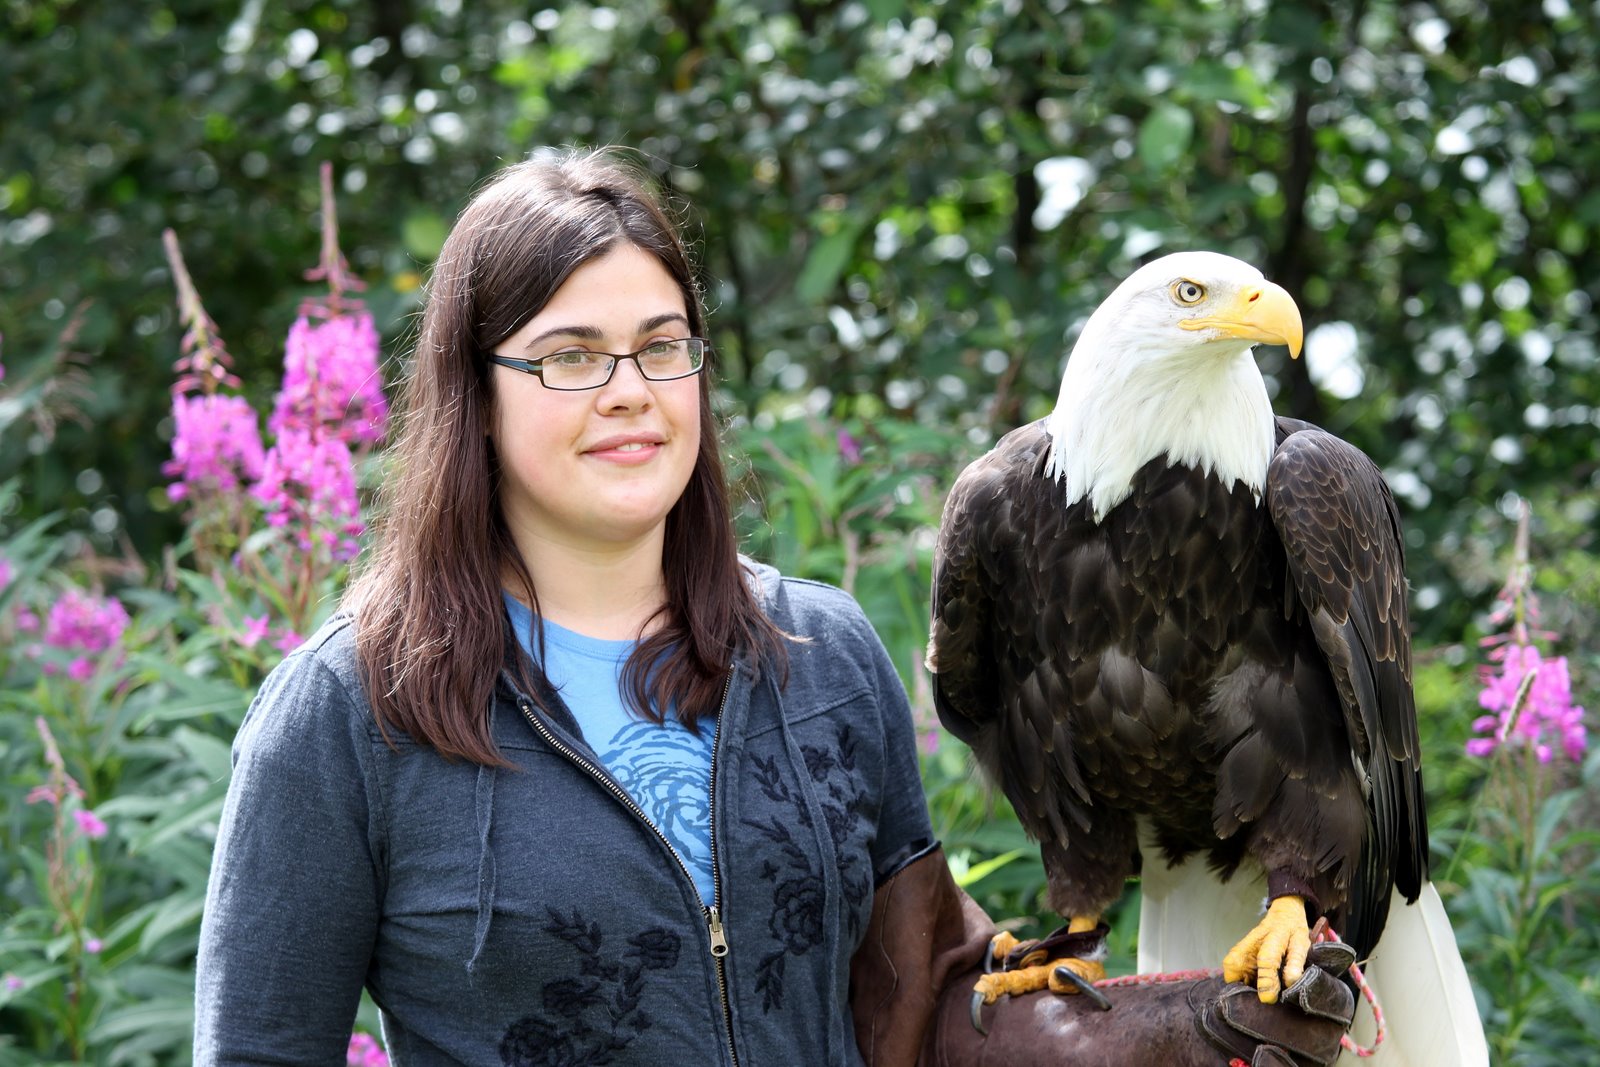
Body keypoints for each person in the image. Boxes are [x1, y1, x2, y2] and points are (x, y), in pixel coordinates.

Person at [193, 148, 1357, 1067]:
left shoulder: (817, 655)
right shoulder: (350, 710)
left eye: (662, 347)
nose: (630, 394)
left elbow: (924, 1002)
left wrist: (1163, 1037)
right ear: (472, 394)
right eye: (569, 357)